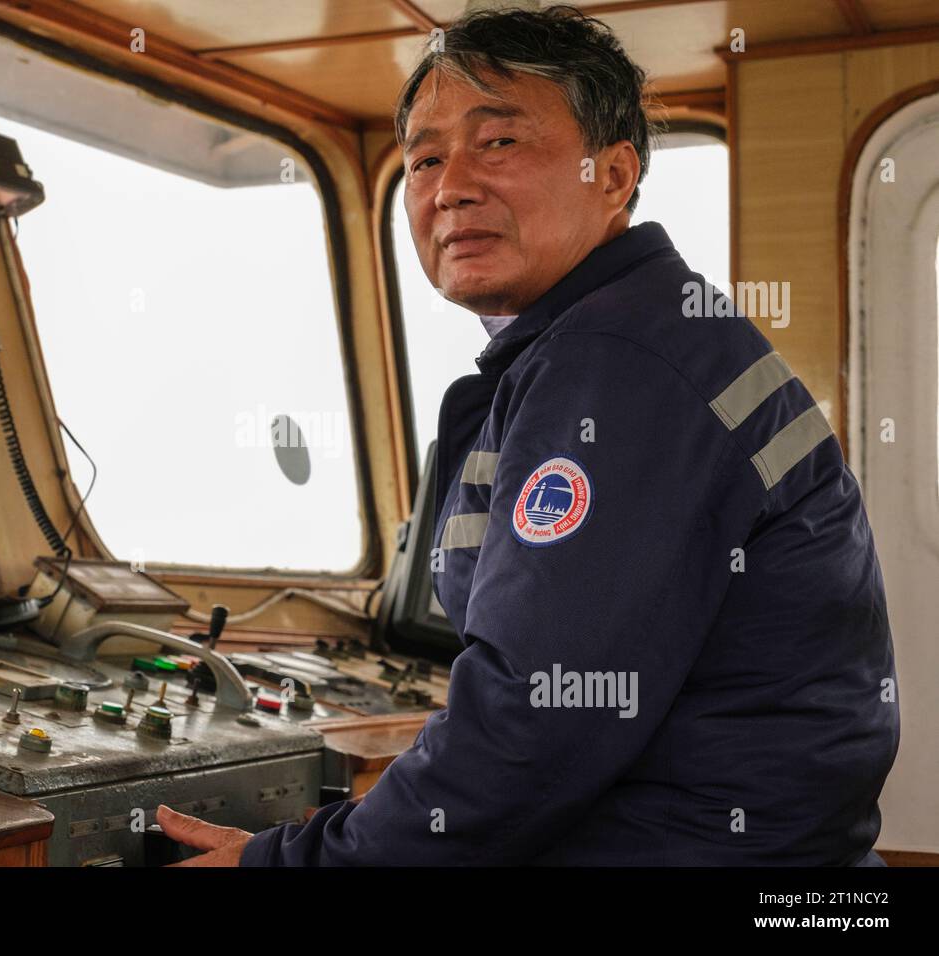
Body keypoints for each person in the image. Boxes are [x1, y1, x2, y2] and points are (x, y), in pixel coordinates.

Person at [157, 4, 899, 866]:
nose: (450, 185)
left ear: (614, 175)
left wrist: (286, 865)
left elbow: (537, 719)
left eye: (498, 142)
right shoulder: (615, 340)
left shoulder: (624, 360)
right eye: (426, 158)